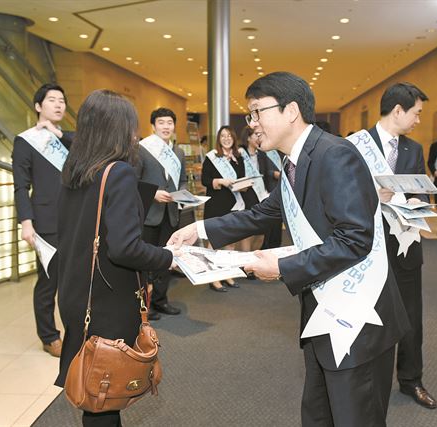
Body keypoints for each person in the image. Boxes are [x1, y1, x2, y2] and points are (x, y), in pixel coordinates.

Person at [169, 72, 409, 426]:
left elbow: (355, 239)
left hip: (358, 317)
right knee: (319, 413)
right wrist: (200, 228)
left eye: (256, 112)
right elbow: (265, 212)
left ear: (291, 110)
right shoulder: (294, 160)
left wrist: (282, 267)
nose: (251, 125)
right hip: (322, 309)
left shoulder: (335, 154)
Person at [54, 89, 175, 427]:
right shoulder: (118, 172)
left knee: (93, 389)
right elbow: (125, 247)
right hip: (107, 298)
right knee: (104, 390)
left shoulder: (74, 170)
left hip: (78, 292)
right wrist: (170, 258)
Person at [368, 82, 437, 409]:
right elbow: (340, 196)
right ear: (398, 110)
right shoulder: (358, 145)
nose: (418, 120)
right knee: (370, 315)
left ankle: (411, 379)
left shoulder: (414, 149)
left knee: (411, 317)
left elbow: (419, 192)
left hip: (406, 243)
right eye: (417, 113)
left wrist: (417, 204)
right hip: (369, 246)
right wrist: (372, 196)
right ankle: (366, 379)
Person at [12, 83, 72, 357]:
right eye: (52, 100)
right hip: (46, 221)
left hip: (75, 219)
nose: (59, 104)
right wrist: (26, 221)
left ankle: (76, 330)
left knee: (75, 279)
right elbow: (21, 186)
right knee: (49, 281)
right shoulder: (25, 141)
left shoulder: (69, 138)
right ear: (38, 106)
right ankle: (49, 336)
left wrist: (60, 135)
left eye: (62, 100)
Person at [135, 108, 186, 319]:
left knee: (166, 258)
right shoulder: (142, 148)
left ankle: (160, 301)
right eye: (161, 122)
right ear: (153, 126)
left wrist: (181, 194)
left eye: (170, 123)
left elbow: (182, 179)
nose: (166, 127)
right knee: (144, 261)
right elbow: (134, 180)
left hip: (171, 213)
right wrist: (152, 193)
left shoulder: (179, 152)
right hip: (149, 214)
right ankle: (142, 306)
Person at [201, 125, 255, 291]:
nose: (226, 139)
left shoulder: (238, 157)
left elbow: (242, 179)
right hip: (217, 204)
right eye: (223, 136)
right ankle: (213, 278)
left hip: (235, 204)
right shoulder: (212, 157)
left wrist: (244, 185)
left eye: (229, 136)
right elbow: (205, 180)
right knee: (215, 243)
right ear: (219, 139)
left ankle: (227, 275)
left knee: (231, 243)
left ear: (234, 138)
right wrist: (220, 181)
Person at [240, 127, 282, 250]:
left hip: (261, 194)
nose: (258, 138)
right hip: (247, 195)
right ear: (248, 138)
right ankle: (246, 262)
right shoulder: (241, 154)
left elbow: (264, 175)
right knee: (247, 231)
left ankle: (254, 259)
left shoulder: (262, 155)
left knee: (260, 233)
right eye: (256, 135)